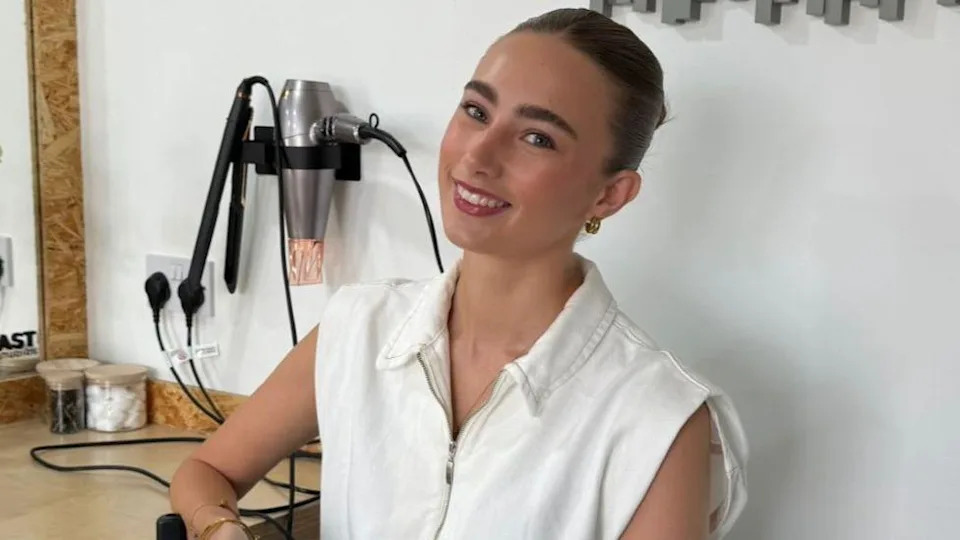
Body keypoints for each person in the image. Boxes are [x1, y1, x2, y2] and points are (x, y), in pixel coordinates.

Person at [170, 8, 748, 540]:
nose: (477, 155)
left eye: (536, 138)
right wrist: (220, 527)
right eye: (476, 111)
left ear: (610, 194)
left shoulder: (660, 418)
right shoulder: (360, 327)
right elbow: (206, 470)